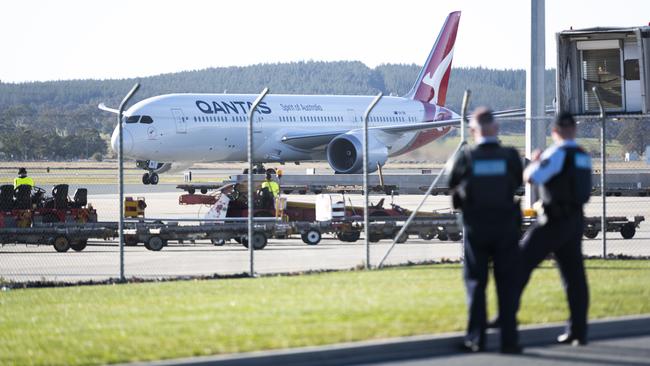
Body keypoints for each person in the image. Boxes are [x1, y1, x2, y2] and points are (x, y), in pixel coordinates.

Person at [449, 107, 524, 354]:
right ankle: (510, 340)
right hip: (505, 226)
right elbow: (517, 181)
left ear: (472, 131)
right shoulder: (510, 156)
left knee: (476, 283)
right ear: (497, 128)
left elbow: (452, 184)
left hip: (476, 226)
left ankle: (476, 338)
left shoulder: (466, 157)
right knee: (507, 283)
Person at [518, 112, 592, 346]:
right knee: (575, 278)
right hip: (575, 220)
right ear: (575, 130)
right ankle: (578, 331)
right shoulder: (582, 155)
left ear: (555, 132)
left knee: (518, 263)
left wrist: (535, 161)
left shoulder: (557, 153)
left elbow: (533, 177)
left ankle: (505, 318)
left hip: (553, 220)